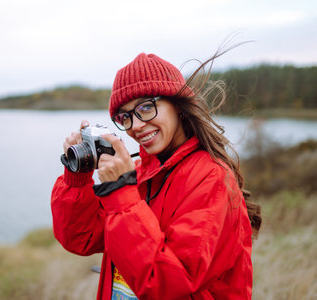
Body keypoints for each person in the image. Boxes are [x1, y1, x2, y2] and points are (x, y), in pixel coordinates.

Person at [51, 51, 262, 299]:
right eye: (125, 116)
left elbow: (169, 283)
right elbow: (81, 238)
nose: (136, 125)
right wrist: (77, 178)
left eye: (146, 107)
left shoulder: (212, 179)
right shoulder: (138, 174)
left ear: (178, 106)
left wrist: (120, 192)